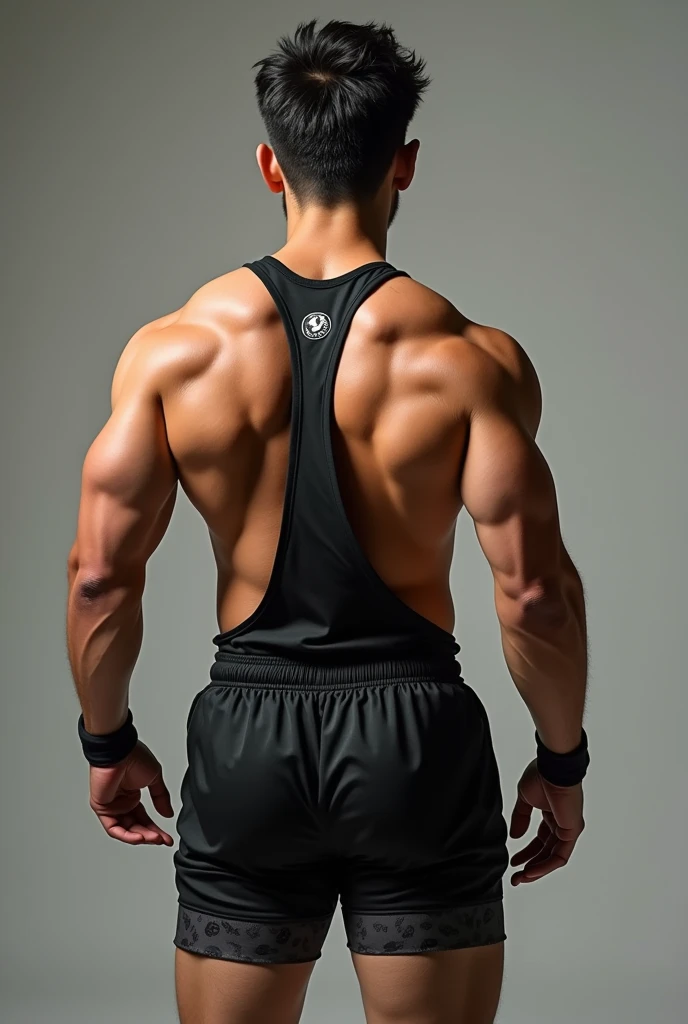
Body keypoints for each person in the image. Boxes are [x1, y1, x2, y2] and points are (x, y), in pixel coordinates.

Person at [66, 18, 589, 1024]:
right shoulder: (470, 360)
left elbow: (99, 574)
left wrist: (106, 740)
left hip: (246, 741)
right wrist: (559, 761)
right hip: (415, 744)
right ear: (405, 163)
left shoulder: (172, 353)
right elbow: (533, 594)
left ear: (271, 163)